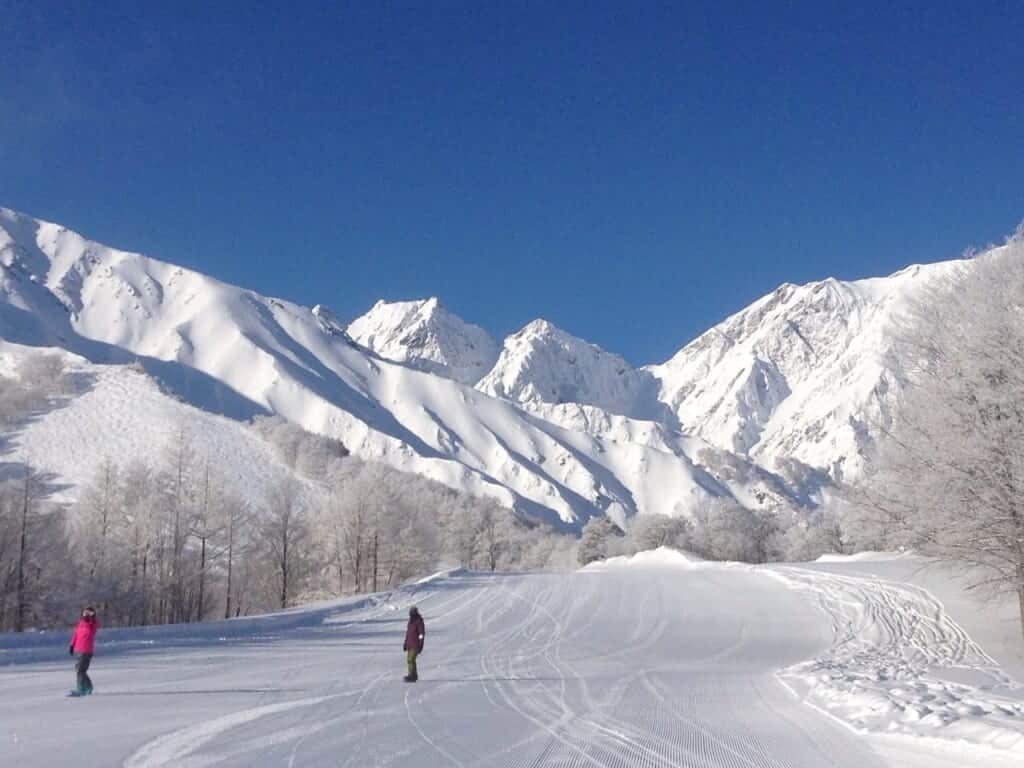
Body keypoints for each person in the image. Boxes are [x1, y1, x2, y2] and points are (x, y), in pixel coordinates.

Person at [69, 606, 99, 696]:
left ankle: (81, 688)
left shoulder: (92, 624)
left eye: (88, 613)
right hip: (78, 649)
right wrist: (71, 645)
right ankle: (88, 687)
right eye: (85, 613)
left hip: (86, 650)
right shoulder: (80, 623)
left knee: (80, 670)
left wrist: (92, 617)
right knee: (80, 670)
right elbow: (75, 635)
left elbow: (94, 625)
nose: (86, 615)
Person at [403, 606, 425, 682]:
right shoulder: (410, 621)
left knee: (411, 659)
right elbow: (408, 634)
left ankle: (411, 675)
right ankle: (413, 675)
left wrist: (421, 645)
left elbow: (421, 634)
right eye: (410, 612)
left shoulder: (419, 621)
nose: (411, 613)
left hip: (416, 644)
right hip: (410, 644)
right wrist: (405, 643)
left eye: (413, 612)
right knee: (409, 660)